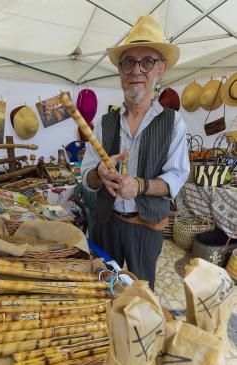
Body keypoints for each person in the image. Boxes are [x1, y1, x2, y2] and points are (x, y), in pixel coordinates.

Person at [80, 15, 190, 290]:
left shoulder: (173, 122)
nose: (136, 71)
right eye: (128, 62)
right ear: (120, 71)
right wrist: (99, 174)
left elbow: (177, 177)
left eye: (147, 62)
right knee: (109, 288)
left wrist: (139, 185)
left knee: (141, 292)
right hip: (108, 225)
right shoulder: (106, 124)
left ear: (160, 69)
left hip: (147, 227)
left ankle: (140, 331)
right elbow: (86, 177)